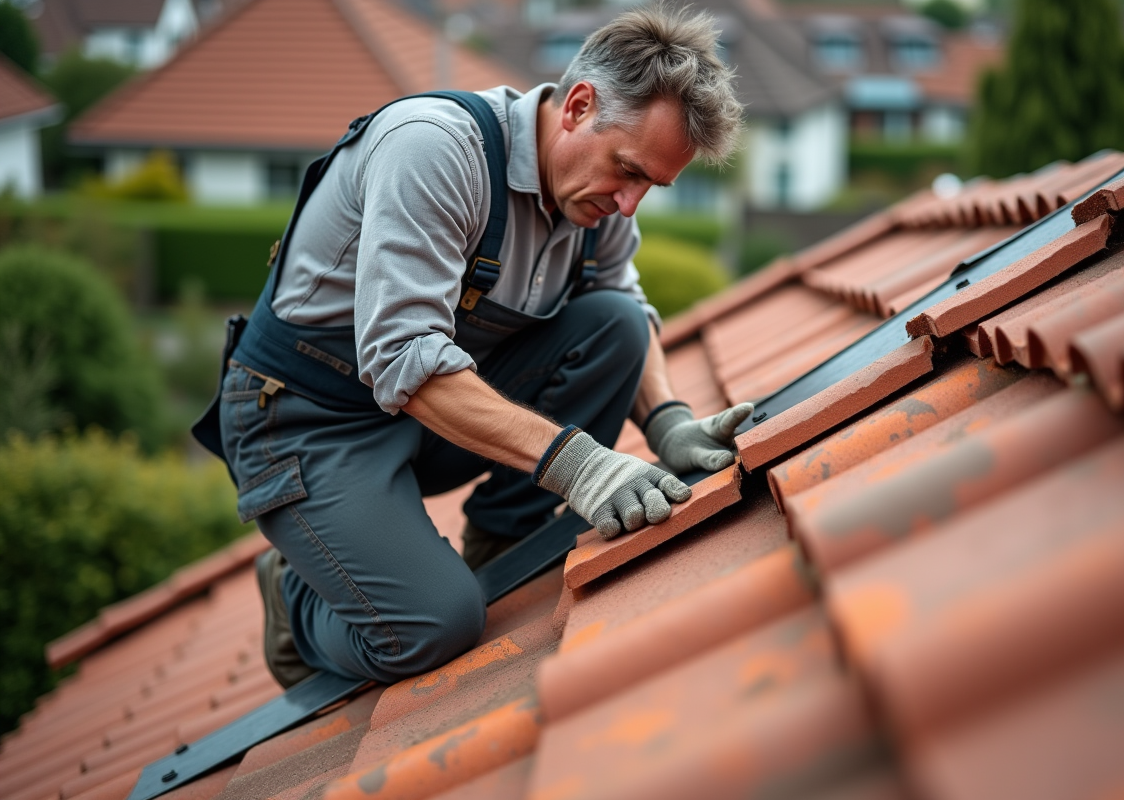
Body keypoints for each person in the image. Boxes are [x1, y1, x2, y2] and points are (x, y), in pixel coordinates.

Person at [206, 5, 749, 688]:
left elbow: (625, 310)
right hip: (307, 422)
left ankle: (504, 540)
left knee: (610, 322)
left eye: (651, 186)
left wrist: (667, 420)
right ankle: (297, 601)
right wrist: (582, 469)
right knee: (435, 626)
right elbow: (405, 356)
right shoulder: (434, 150)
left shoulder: (595, 197)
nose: (630, 204)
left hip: (424, 415)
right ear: (578, 106)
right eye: (629, 171)